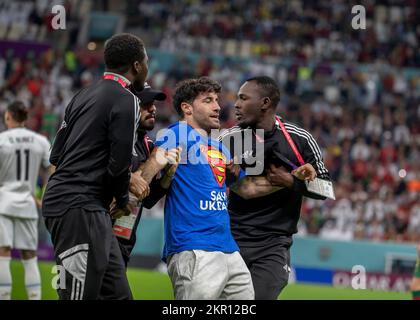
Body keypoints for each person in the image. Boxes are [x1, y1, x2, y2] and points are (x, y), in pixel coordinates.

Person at [42, 33, 153, 300]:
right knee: (78, 295)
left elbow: (56, 155)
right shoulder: (128, 99)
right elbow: (119, 164)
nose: (148, 67)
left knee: (118, 295)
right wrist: (124, 198)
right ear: (137, 65)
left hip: (77, 204)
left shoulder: (82, 94)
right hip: (80, 206)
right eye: (146, 61)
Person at [220, 76, 330, 300]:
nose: (236, 104)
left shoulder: (300, 140)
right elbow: (238, 189)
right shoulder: (228, 139)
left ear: (265, 103)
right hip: (230, 239)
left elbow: (327, 188)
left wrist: (291, 182)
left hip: (274, 245)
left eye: (243, 98)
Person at [152, 77, 256, 300]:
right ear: (187, 108)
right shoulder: (176, 134)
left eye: (217, 100)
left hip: (229, 248)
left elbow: (245, 188)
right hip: (194, 247)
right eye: (208, 100)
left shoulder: (220, 146)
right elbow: (149, 176)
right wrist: (150, 176)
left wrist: (293, 180)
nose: (217, 107)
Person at [113, 83, 173, 266]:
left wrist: (167, 177)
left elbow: (147, 200)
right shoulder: (111, 134)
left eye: (153, 104)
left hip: (124, 236)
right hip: (97, 230)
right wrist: (130, 177)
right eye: (146, 104)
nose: (153, 109)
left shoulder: (147, 144)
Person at [0, 101, 52, 300]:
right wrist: (45, 194)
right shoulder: (39, 141)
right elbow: (52, 166)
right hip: (29, 204)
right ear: (26, 118)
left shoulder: (2, 139)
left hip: (4, 202)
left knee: (3, 254)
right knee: (29, 257)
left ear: (8, 117)